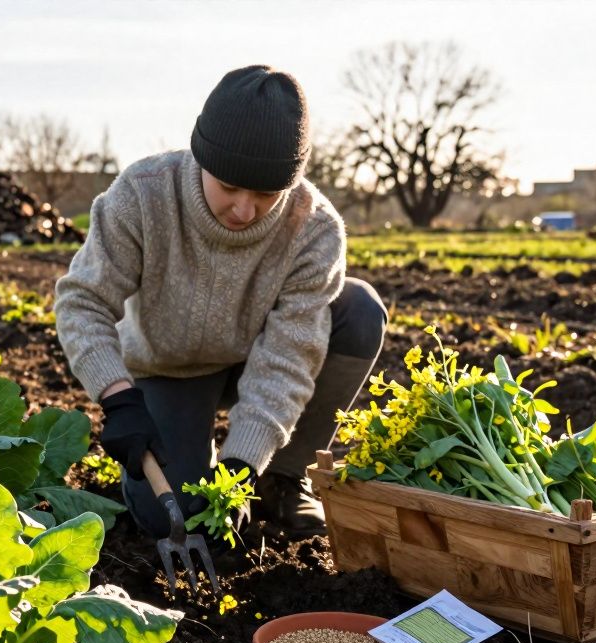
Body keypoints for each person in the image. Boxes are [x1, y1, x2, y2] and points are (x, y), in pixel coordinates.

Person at [54, 65, 387, 540]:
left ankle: (283, 479)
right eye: (229, 186)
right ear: (202, 158)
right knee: (176, 516)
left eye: (267, 193)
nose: (245, 210)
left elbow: (288, 358)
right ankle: (189, 445)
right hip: (169, 367)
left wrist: (241, 466)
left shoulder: (313, 229)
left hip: (255, 355)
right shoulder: (145, 195)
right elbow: (82, 301)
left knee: (359, 310)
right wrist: (119, 398)